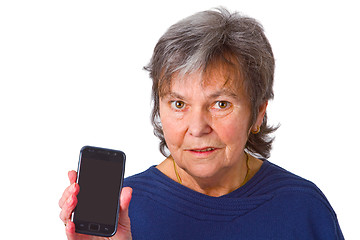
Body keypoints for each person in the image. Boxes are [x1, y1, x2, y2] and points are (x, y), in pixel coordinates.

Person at [59, 7, 344, 239]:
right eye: (179, 104)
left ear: (258, 112)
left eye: (221, 104)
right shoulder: (120, 211)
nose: (197, 128)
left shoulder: (303, 208)